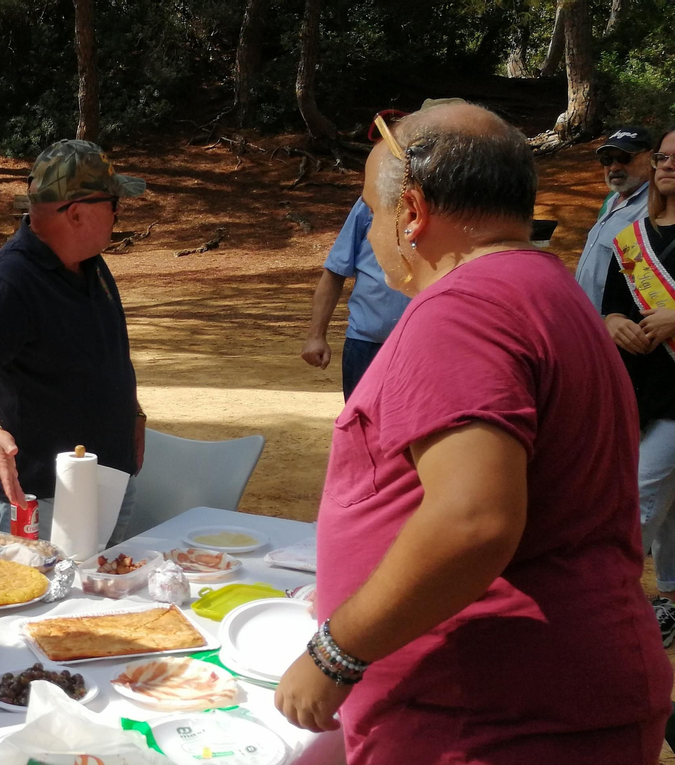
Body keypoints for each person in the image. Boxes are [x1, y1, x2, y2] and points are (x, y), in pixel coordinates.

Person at [272, 103, 671, 763]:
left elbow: (473, 519)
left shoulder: (462, 308)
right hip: (550, 696)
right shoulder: (549, 288)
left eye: (373, 209)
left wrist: (337, 650)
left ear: (414, 213)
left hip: (488, 712)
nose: (372, 230)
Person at [0, 139, 148, 540]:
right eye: (113, 203)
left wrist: (135, 413)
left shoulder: (89, 260)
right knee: (43, 599)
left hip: (109, 477)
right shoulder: (12, 280)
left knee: (105, 593)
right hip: (42, 493)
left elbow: (105, 355)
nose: (118, 214)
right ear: (76, 213)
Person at [598, 125, 675, 643]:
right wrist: (613, 324)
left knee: (638, 501)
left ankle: (606, 606)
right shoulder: (634, 235)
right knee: (668, 507)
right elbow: (610, 306)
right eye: (665, 157)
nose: (668, 165)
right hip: (640, 391)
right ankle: (668, 597)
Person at [300, 196, 411, 399]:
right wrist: (316, 336)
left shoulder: (452, 205)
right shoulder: (370, 203)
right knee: (362, 427)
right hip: (366, 345)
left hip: (426, 347)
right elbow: (335, 271)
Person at [575, 125, 655, 311]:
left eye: (624, 158)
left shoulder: (656, 206)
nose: (614, 166)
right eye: (607, 159)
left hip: (619, 327)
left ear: (651, 158)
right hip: (590, 321)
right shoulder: (612, 200)